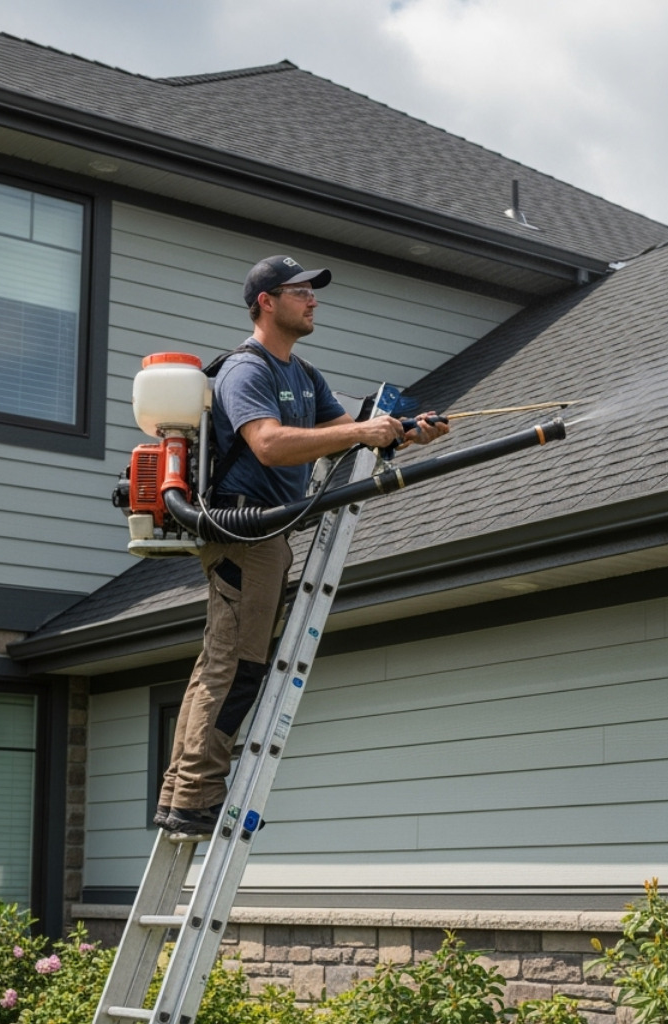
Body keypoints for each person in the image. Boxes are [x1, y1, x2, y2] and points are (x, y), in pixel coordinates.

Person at [155, 256, 450, 836]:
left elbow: (342, 436)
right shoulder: (247, 370)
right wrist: (362, 430)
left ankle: (179, 793)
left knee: (219, 663)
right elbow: (268, 444)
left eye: (313, 292)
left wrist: (405, 432)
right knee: (236, 667)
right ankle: (195, 799)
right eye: (300, 291)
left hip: (268, 534)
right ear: (265, 302)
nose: (313, 300)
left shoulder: (304, 374)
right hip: (244, 531)